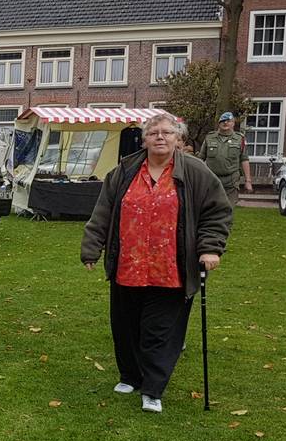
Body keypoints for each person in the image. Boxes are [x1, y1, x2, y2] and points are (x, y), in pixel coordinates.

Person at [81, 113, 233, 413]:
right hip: (129, 265)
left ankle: (152, 388)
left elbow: (217, 212)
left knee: (160, 331)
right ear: (144, 138)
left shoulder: (195, 171)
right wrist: (91, 248)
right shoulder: (125, 170)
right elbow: (103, 211)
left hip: (171, 268)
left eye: (167, 133)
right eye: (153, 133)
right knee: (126, 327)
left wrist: (210, 248)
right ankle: (130, 375)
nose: (160, 137)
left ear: (178, 138)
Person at [202, 112, 253, 207]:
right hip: (212, 180)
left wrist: (248, 181)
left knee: (228, 208)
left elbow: (244, 159)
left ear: (233, 123)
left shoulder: (239, 139)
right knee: (212, 208)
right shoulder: (209, 138)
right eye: (222, 121)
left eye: (228, 121)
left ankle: (225, 222)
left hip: (231, 181)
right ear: (218, 123)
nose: (225, 123)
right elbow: (200, 159)